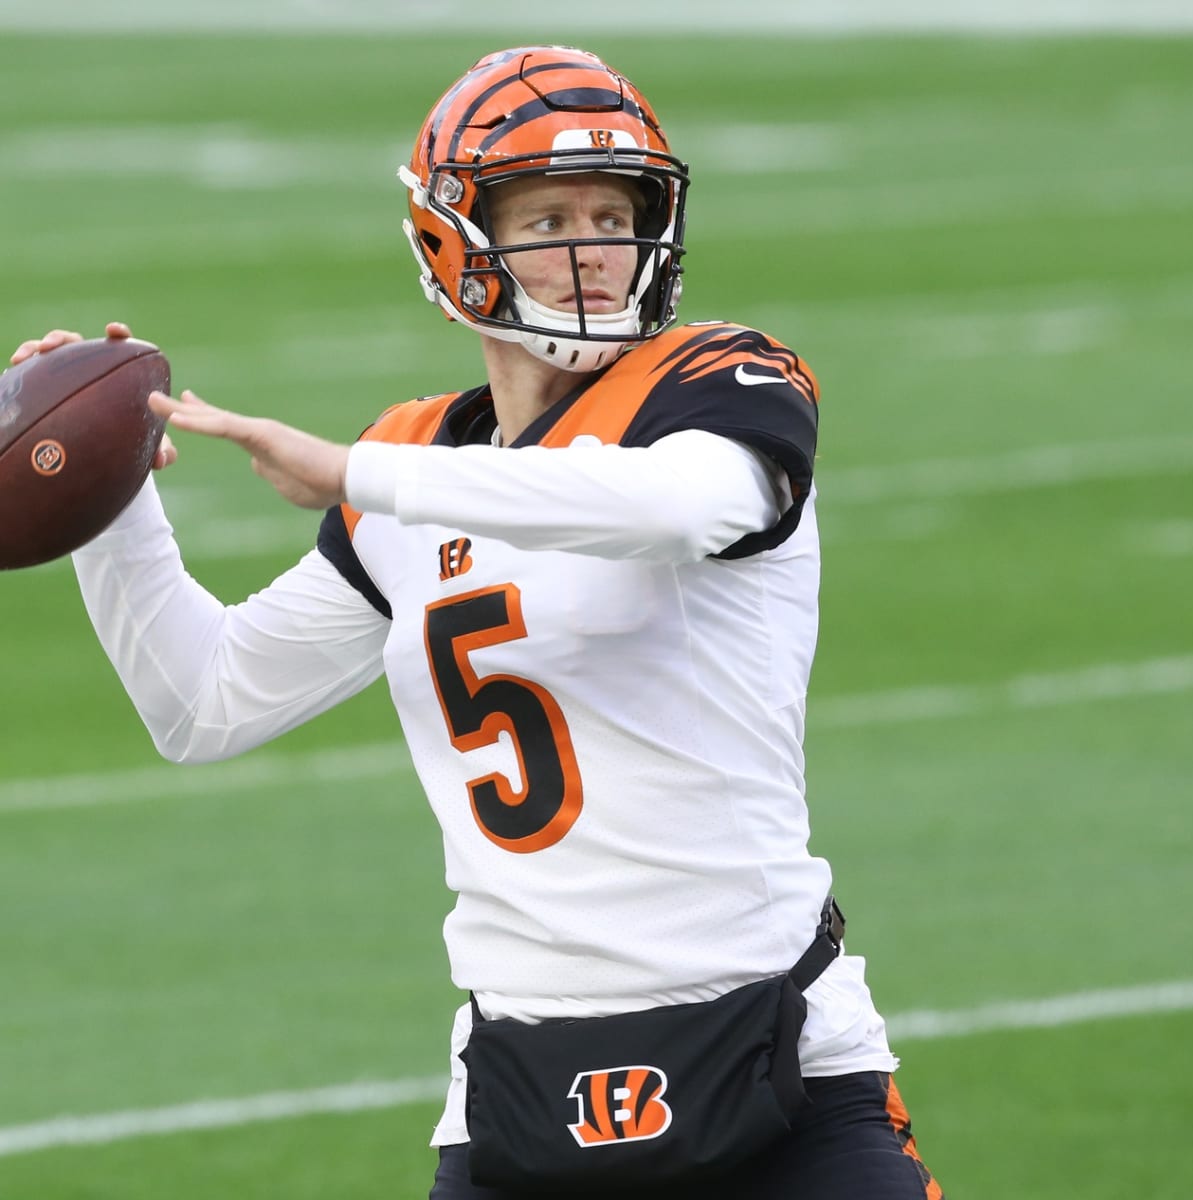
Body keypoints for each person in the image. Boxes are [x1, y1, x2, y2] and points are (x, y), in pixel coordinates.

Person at [13, 46, 943, 1200]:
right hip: (519, 1078)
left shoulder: (716, 381)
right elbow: (203, 706)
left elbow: (682, 504)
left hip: (775, 1064)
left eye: (615, 211)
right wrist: (108, 492)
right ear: (455, 237)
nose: (594, 246)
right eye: (548, 214)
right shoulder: (419, 462)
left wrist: (361, 473)